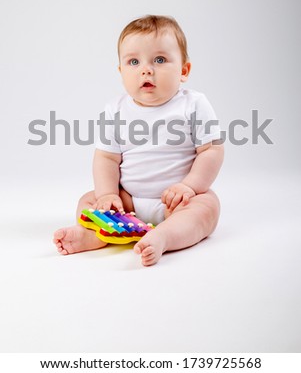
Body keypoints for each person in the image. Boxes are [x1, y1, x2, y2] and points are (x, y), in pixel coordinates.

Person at [53, 15, 224, 266]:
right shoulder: (115, 110)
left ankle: (164, 236)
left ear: (184, 70)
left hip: (177, 202)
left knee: (207, 206)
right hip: (128, 201)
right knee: (88, 201)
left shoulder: (194, 104)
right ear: (121, 72)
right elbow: (107, 157)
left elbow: (211, 150)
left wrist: (189, 186)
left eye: (160, 60)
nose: (146, 69)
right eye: (134, 62)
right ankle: (95, 235)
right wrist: (108, 194)